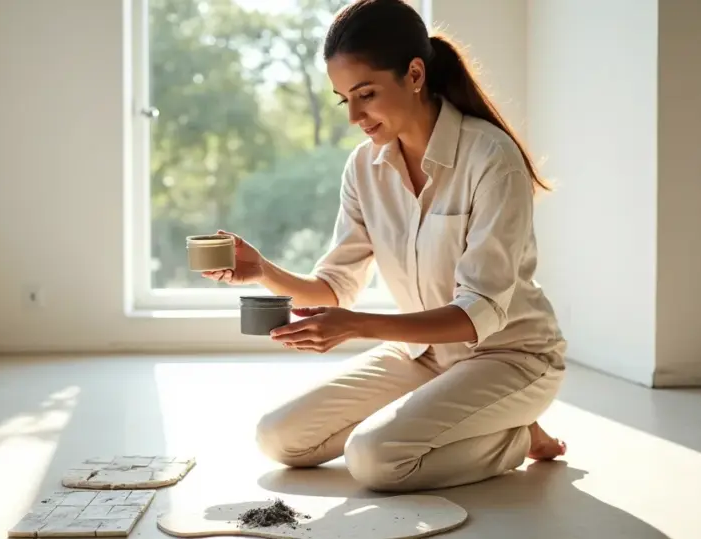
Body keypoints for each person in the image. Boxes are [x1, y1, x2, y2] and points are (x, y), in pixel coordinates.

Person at [202, 0, 567, 493]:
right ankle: (463, 421)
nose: (354, 115)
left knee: (373, 460)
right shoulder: (363, 168)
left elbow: (477, 313)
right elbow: (334, 287)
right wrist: (262, 270)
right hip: (422, 355)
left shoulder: (490, 157)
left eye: (366, 93)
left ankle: (515, 436)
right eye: (342, 99)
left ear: (414, 74)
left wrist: (354, 327)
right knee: (280, 438)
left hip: (510, 356)